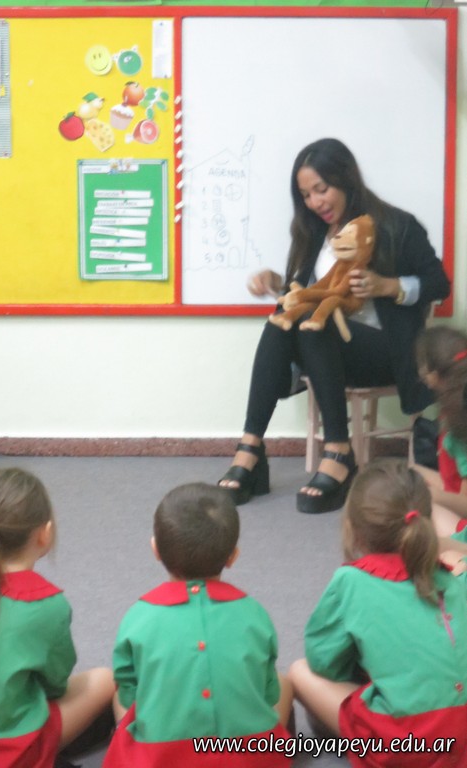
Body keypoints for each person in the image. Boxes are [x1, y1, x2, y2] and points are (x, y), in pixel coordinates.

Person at [218, 137, 450, 514]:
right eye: (306, 195)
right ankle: (251, 446)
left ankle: (339, 452)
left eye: (321, 189)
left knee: (312, 323)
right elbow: (313, 294)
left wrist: (388, 286)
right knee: (283, 317)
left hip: (386, 351)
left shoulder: (396, 226)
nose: (314, 202)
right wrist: (278, 282)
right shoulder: (313, 232)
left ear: (345, 179)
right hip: (326, 350)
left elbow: (439, 284)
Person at [289, 459, 467, 768]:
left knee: (300, 671)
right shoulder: (456, 575)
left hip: (410, 744)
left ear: (353, 531)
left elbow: (324, 661)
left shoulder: (350, 581)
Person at [103, 482, 294, 768]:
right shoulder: (255, 614)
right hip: (245, 759)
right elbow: (268, 694)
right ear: (233, 556)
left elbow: (130, 693)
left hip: (160, 760)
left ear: (155, 550)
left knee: (120, 693)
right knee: (283, 682)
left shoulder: (138, 616)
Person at [0, 467, 115, 768]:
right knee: (106, 679)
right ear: (45, 533)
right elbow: (55, 685)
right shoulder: (44, 604)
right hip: (13, 753)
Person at [414, 325, 467, 539]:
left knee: (416, 512)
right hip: (457, 501)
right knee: (410, 475)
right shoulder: (451, 414)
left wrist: (433, 496)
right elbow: (452, 480)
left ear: (433, 376)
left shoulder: (459, 425)